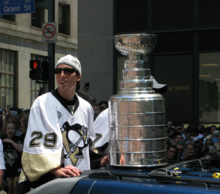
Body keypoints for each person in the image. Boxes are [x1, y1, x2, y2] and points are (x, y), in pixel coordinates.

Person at [21, 55, 109, 188]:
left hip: (79, 181)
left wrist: (100, 160)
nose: (62, 75)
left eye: (67, 71)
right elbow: (35, 145)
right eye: (58, 71)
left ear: (78, 77)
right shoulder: (42, 103)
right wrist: (56, 170)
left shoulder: (86, 108)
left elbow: (85, 148)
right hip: (50, 183)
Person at [2, 121, 23, 194]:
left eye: (12, 128)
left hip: (17, 166)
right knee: (10, 187)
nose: (10, 130)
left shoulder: (18, 139)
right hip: (8, 166)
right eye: (8, 128)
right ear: (5, 130)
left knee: (15, 186)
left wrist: (10, 141)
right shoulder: (2, 140)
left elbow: (21, 150)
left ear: (16, 130)